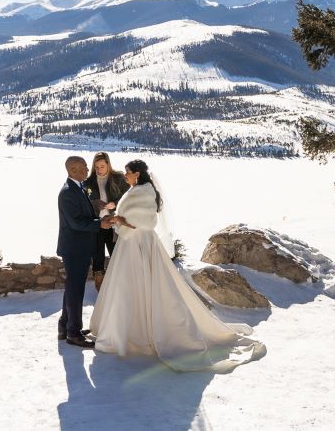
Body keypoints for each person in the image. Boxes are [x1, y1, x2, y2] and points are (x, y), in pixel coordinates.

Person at [89, 159, 266, 372]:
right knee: (127, 286)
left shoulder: (145, 191)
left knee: (142, 283)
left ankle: (140, 333)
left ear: (137, 174)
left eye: (128, 172)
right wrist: (118, 219)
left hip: (140, 244)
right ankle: (125, 330)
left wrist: (119, 220)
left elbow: (144, 221)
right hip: (130, 244)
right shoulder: (136, 189)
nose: (125, 176)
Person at [56, 155, 128, 348]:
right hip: (74, 248)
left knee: (72, 287)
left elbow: (81, 212)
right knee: (76, 289)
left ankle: (64, 326)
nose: (87, 171)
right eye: (83, 168)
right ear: (72, 170)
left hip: (77, 246)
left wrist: (94, 205)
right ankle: (74, 333)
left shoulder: (77, 188)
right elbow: (76, 222)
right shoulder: (68, 192)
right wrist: (100, 223)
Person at [83, 152, 130, 291]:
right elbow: (84, 204)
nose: (99, 170)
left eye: (102, 166)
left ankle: (119, 288)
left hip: (114, 224)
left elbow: (128, 197)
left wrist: (115, 204)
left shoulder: (118, 178)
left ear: (108, 164)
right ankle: (101, 289)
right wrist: (95, 204)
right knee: (97, 257)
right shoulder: (88, 182)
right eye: (96, 167)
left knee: (116, 255)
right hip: (97, 224)